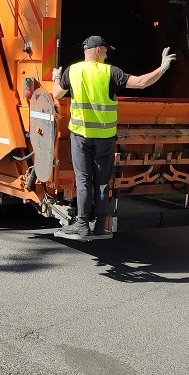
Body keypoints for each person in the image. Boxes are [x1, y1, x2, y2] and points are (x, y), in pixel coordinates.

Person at [52, 36, 176, 240]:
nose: (108, 54)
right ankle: (100, 225)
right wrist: (162, 68)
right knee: (102, 182)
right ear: (98, 50)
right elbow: (142, 82)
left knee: (83, 181)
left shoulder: (72, 71)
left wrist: (57, 76)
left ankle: (82, 224)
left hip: (80, 136)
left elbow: (56, 94)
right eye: (106, 50)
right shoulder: (110, 72)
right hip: (105, 138)